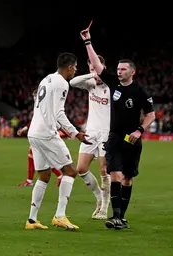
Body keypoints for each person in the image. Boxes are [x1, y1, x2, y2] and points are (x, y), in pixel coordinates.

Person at [80, 28, 155, 229]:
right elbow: (96, 64)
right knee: (114, 173)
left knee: (128, 178)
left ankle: (122, 217)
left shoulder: (140, 92)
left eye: (123, 69)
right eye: (118, 69)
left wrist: (139, 131)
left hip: (132, 140)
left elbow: (150, 115)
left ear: (132, 72)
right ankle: (114, 216)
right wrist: (88, 42)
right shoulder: (113, 83)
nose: (119, 71)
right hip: (114, 138)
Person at [25, 52, 91, 231]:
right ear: (70, 67)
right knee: (70, 171)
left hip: (34, 132)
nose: (76, 70)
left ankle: (31, 220)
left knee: (44, 175)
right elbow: (58, 113)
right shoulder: (62, 83)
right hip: (46, 132)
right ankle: (60, 216)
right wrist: (75, 133)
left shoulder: (46, 79)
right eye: (75, 67)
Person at [69, 56, 111, 220]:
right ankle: (99, 197)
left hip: (106, 133)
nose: (95, 73)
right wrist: (91, 75)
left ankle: (104, 209)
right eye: (91, 68)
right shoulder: (91, 83)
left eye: (97, 69)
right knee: (80, 169)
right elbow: (72, 82)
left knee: (103, 170)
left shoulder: (111, 85)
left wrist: (102, 73)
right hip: (91, 132)